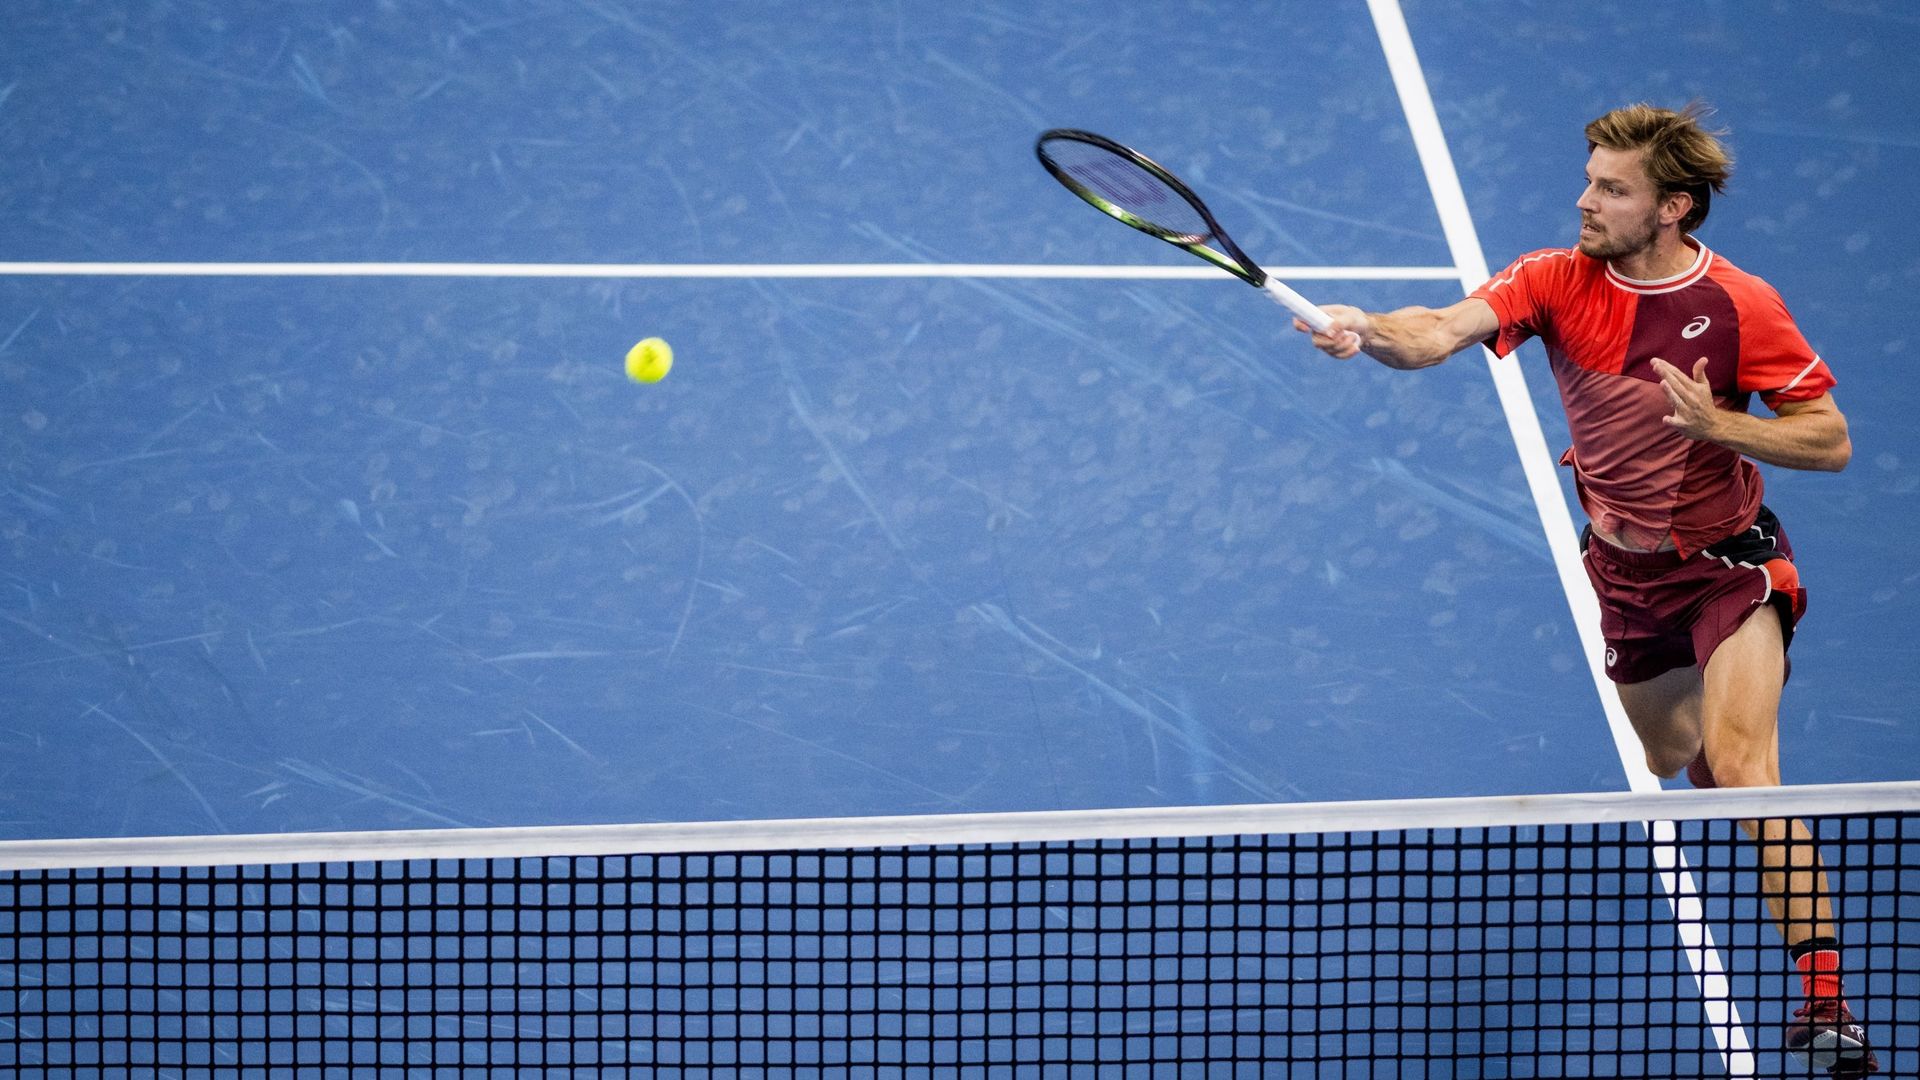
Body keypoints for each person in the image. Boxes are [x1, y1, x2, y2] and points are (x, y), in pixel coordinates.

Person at [1295, 102, 1874, 1077]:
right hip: (1625, 574)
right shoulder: (1553, 280)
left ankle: (1827, 1007)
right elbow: (1438, 330)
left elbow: (1832, 438)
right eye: (1590, 179)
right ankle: (1737, 796)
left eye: (1613, 187)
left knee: (1743, 765)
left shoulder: (1741, 305)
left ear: (1672, 208)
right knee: (1672, 750)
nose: (1586, 199)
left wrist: (1724, 428)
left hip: (1729, 562)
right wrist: (1367, 328)